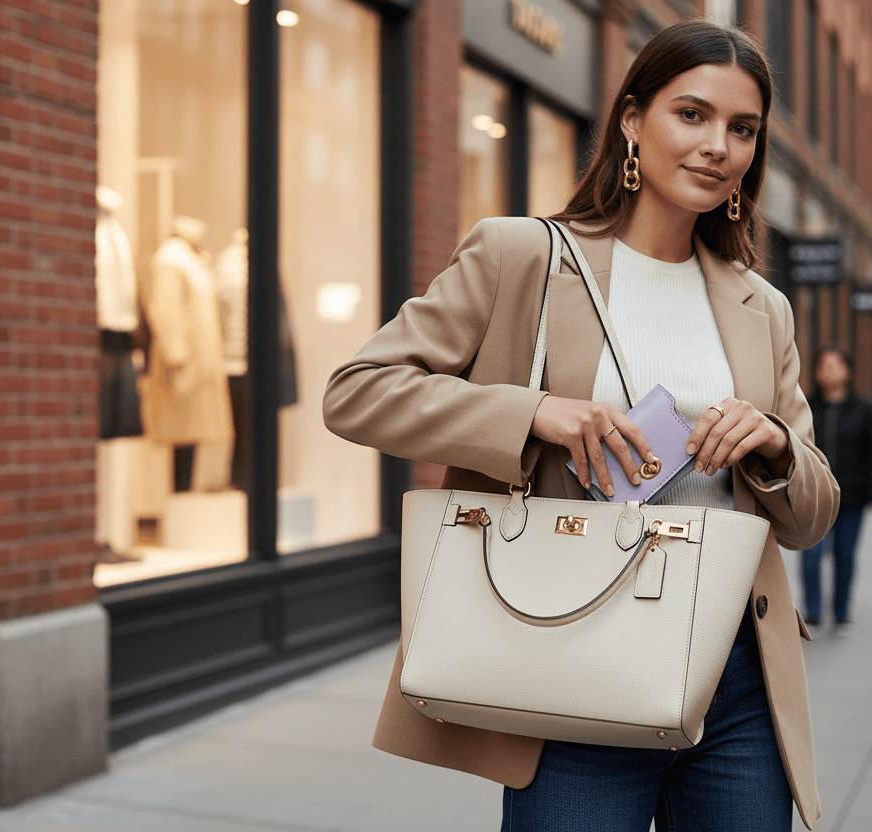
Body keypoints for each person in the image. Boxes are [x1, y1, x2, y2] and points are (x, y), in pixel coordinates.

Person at [323, 20, 838, 832]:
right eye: (692, 115)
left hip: (735, 674)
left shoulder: (761, 307)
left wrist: (774, 445)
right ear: (633, 122)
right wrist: (530, 414)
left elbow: (811, 517)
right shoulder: (523, 257)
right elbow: (356, 392)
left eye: (742, 129)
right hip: (573, 652)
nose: (718, 146)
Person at [800, 347, 872, 629]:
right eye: (823, 365)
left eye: (836, 365)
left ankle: (840, 613)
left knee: (845, 557)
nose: (829, 371)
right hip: (814, 497)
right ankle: (813, 612)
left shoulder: (864, 408)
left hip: (852, 497)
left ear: (847, 371)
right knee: (811, 555)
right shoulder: (806, 407)